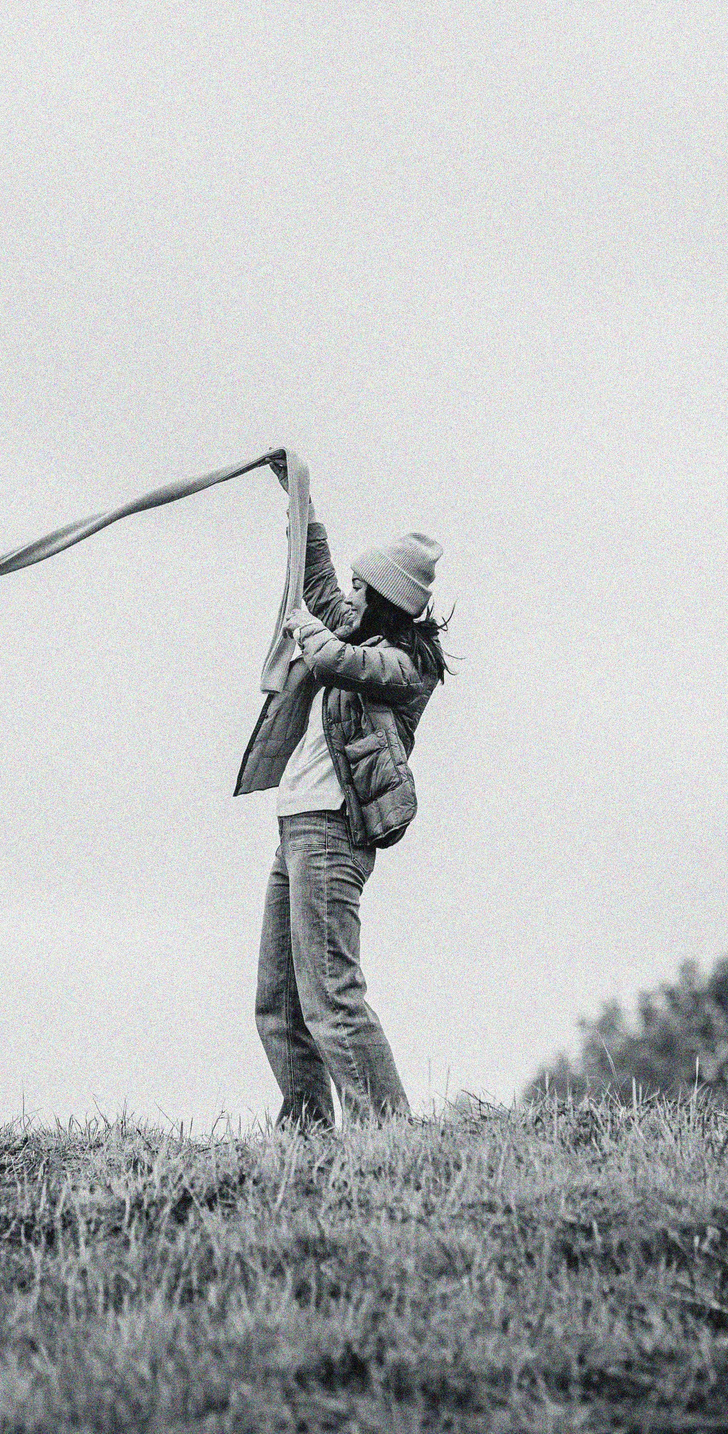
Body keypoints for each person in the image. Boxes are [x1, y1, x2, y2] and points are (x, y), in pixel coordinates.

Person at [234, 483, 448, 1128]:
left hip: (331, 836)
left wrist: (299, 621)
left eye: (361, 590)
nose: (347, 598)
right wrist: (300, 500)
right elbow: (322, 588)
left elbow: (327, 655)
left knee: (332, 998)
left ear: (384, 601)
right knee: (279, 1002)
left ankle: (388, 1136)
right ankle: (308, 1137)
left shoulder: (402, 665)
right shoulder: (362, 634)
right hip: (296, 829)